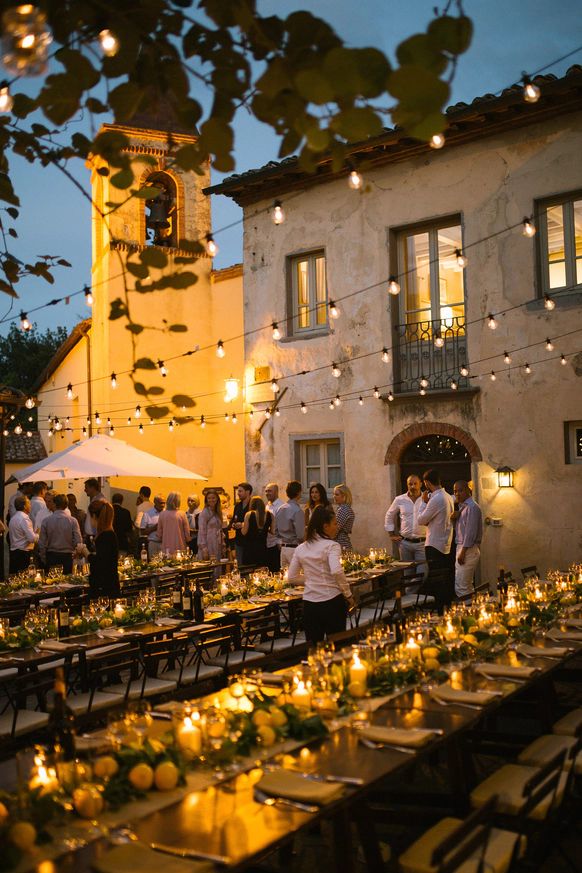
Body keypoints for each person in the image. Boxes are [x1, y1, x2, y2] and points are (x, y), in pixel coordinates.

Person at [288, 506, 355, 644]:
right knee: (338, 645)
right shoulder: (332, 546)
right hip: (331, 601)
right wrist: (348, 594)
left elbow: (292, 577)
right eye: (335, 524)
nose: (337, 527)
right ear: (325, 526)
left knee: (314, 647)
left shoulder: (301, 548)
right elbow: (336, 571)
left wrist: (312, 579)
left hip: (310, 604)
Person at [417, 469, 455, 610]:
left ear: (427, 483)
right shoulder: (448, 496)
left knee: (436, 579)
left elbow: (421, 520)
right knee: (444, 578)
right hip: (445, 542)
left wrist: (423, 502)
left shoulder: (436, 499)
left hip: (434, 544)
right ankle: (445, 606)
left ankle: (439, 608)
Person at [384, 474, 428, 581]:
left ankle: (409, 591)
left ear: (420, 484)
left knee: (422, 574)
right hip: (405, 544)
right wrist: (391, 534)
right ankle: (411, 592)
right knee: (407, 575)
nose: (413, 487)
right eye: (410, 484)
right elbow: (389, 515)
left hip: (422, 543)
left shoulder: (427, 498)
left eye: (415, 484)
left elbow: (445, 499)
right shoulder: (400, 499)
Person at [77, 499, 119, 598]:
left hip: (103, 586)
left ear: (94, 516)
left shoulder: (104, 536)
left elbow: (99, 563)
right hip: (110, 584)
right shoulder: (110, 534)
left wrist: (84, 550)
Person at [451, 480, 483, 598]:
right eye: (455, 491)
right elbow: (461, 531)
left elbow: (470, 533)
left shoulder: (471, 507)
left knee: (461, 588)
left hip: (467, 549)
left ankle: (467, 609)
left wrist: (463, 552)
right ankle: (473, 608)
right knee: (467, 586)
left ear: (468, 490)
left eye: (460, 491)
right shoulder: (463, 507)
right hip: (463, 547)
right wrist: (453, 520)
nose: (457, 494)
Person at [38, 494, 82, 574]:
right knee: (67, 579)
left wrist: (43, 557)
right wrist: (76, 551)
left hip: (52, 555)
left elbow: (42, 542)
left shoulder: (46, 521)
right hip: (67, 555)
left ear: (55, 504)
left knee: (52, 579)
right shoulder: (73, 521)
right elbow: (78, 540)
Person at [275, 480, 306, 570]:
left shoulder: (279, 509)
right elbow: (300, 535)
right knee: (297, 575)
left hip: (283, 548)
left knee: (285, 575)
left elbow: (275, 531)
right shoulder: (297, 511)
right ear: (299, 492)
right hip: (294, 547)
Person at [8, 495, 38, 573]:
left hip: (14, 552)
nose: (30, 506)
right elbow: (32, 538)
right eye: (29, 504)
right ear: (25, 506)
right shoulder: (24, 519)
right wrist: (38, 533)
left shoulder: (13, 518)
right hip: (23, 553)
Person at [198, 490, 227, 567]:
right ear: (206, 500)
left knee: (217, 564)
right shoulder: (204, 513)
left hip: (217, 543)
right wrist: (204, 548)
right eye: (209, 498)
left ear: (217, 499)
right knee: (209, 565)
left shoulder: (218, 512)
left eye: (213, 498)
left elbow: (220, 530)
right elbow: (202, 531)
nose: (211, 500)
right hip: (208, 542)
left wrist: (223, 546)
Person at [241, 496, 273, 567]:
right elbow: (272, 531)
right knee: (261, 569)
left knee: (249, 569)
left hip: (250, 548)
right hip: (263, 548)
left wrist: (242, 526)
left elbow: (244, 532)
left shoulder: (249, 514)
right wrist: (264, 529)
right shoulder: (269, 514)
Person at [229, 482, 252, 566]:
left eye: (240, 491)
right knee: (239, 565)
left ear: (247, 492)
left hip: (249, 541)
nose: (238, 493)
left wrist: (242, 524)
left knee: (249, 565)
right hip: (239, 541)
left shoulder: (252, 505)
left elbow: (256, 522)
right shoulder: (237, 506)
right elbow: (234, 520)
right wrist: (233, 525)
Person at [265, 482, 286, 571]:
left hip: (276, 545)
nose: (267, 493)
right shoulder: (267, 506)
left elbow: (283, 525)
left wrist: (280, 541)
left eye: (270, 491)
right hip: (268, 544)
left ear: (276, 492)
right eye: (266, 491)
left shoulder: (282, 506)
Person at [139, 494, 166, 559]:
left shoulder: (166, 513)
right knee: (153, 561)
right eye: (160, 503)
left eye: (164, 503)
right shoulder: (148, 513)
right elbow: (142, 531)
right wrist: (154, 528)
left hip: (165, 543)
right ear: (155, 502)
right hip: (153, 543)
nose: (162, 505)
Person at [333, 484, 355, 551]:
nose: (334, 497)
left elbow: (335, 529)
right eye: (334, 494)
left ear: (344, 496)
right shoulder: (345, 508)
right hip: (343, 543)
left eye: (337, 495)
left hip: (341, 544)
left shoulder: (343, 509)